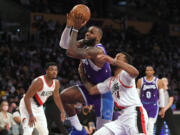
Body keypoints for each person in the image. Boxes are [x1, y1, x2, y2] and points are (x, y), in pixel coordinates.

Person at [59, 12, 114, 134]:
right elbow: (64, 45)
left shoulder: (97, 51)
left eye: (92, 32)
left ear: (98, 37)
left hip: (103, 95)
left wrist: (76, 29)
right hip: (89, 87)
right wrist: (69, 27)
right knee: (65, 96)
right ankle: (78, 129)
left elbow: (71, 52)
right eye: (87, 31)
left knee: (102, 132)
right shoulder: (85, 44)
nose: (87, 33)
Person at [79, 52, 148, 135]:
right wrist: (83, 75)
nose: (115, 58)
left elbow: (135, 73)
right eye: (115, 56)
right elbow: (92, 90)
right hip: (121, 117)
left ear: (125, 63)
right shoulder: (110, 81)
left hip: (134, 114)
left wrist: (112, 60)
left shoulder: (125, 74)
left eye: (118, 57)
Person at [19, 62, 66, 135]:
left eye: (56, 70)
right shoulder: (39, 82)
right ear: (46, 71)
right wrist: (31, 114)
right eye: (52, 70)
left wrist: (62, 111)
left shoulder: (56, 83)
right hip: (27, 104)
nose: (54, 72)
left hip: (39, 106)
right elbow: (27, 98)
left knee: (44, 132)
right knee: (28, 130)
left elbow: (56, 97)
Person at [136, 66, 165, 135]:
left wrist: (162, 107)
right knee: (144, 124)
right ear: (145, 72)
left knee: (150, 123)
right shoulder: (140, 80)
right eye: (147, 70)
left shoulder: (158, 81)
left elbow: (161, 95)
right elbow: (137, 94)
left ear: (153, 71)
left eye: (150, 70)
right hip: (143, 105)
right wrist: (136, 105)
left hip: (153, 105)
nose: (149, 71)